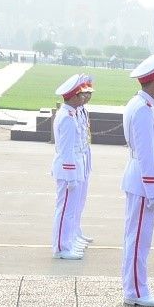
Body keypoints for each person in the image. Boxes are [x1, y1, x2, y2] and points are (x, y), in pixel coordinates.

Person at [121, 54, 154, 307]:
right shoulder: (142, 109)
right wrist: (153, 192)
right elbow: (144, 155)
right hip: (142, 182)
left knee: (136, 238)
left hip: (138, 179)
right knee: (139, 239)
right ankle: (137, 291)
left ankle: (135, 288)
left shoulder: (141, 105)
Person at [51, 75, 89, 260]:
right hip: (68, 171)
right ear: (73, 96)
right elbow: (66, 150)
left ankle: (68, 242)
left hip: (74, 168)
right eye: (80, 95)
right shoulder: (66, 117)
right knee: (64, 209)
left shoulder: (71, 114)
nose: (83, 98)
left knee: (71, 210)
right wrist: (71, 176)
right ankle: (61, 247)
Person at [73, 75, 94, 250]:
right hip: (75, 164)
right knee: (70, 206)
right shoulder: (69, 114)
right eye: (84, 93)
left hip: (83, 160)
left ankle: (75, 232)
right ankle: (68, 240)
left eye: (89, 93)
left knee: (79, 202)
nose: (87, 96)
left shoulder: (81, 111)